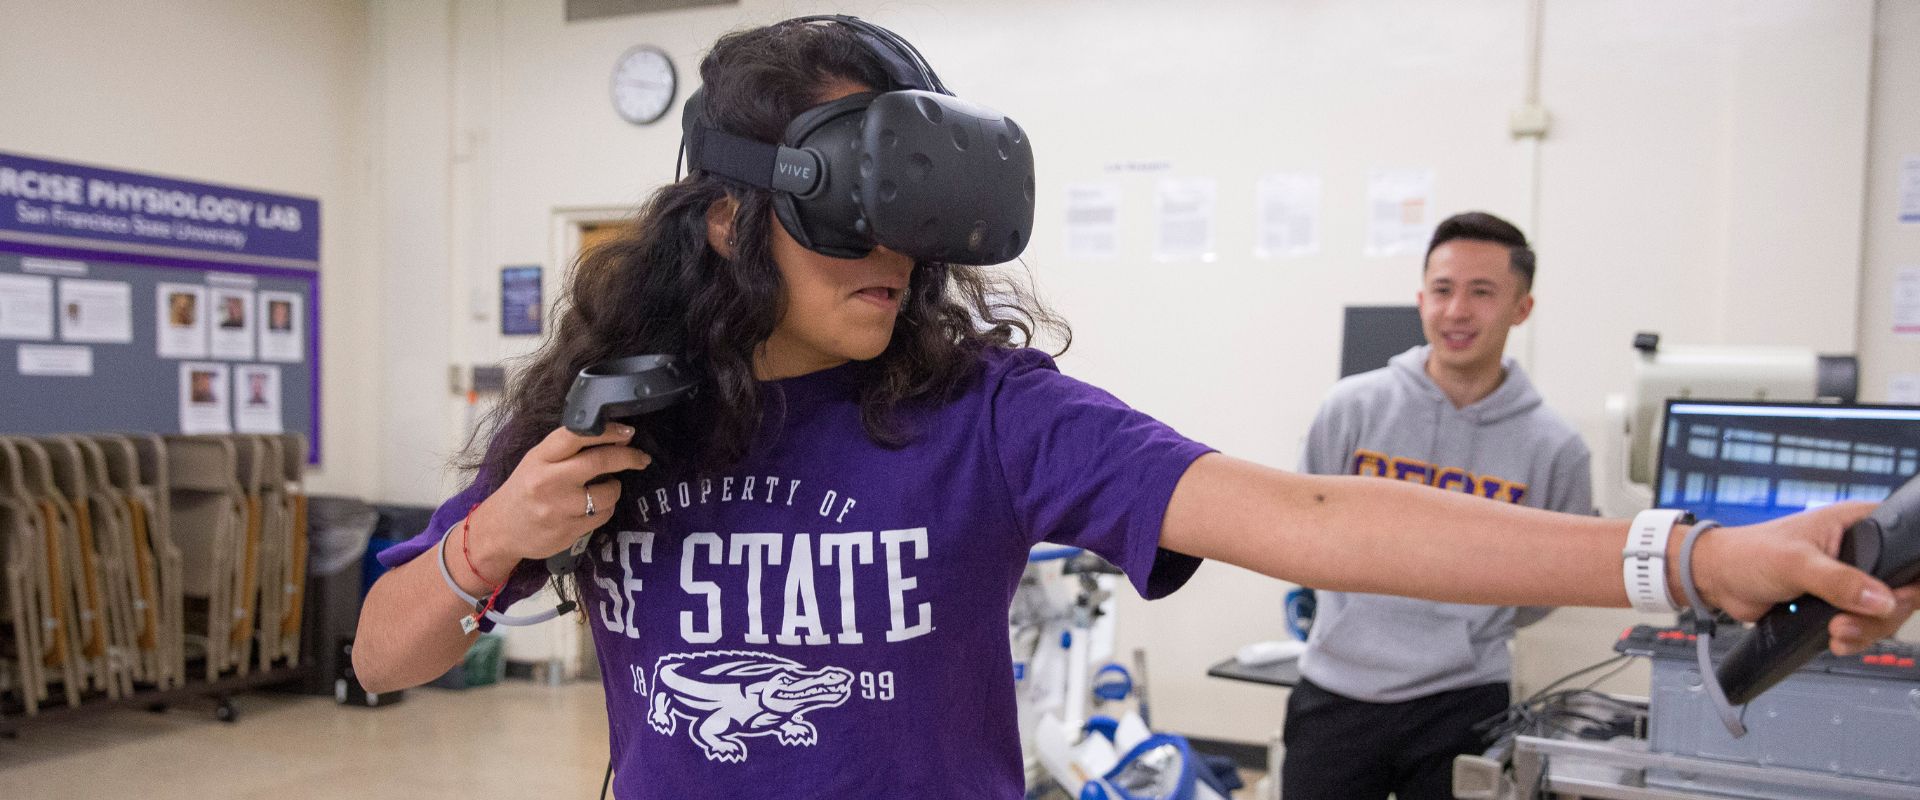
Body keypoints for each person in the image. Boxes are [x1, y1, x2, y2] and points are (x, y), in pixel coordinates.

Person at [352, 18, 1918, 799]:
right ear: (722, 221)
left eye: (921, 218)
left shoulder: (985, 411)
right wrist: (493, 538)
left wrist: (1704, 559)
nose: (897, 259)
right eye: (854, 215)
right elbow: (385, 657)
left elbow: (1309, 517)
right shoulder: (613, 423)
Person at [1283, 211, 1587, 800]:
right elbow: (1302, 531)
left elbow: (1552, 584)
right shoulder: (1351, 409)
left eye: (1482, 293)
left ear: (1521, 308)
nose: (1456, 312)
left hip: (1465, 701)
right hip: (1337, 692)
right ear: (1421, 297)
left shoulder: (1556, 446)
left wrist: (1467, 626)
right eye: (1443, 291)